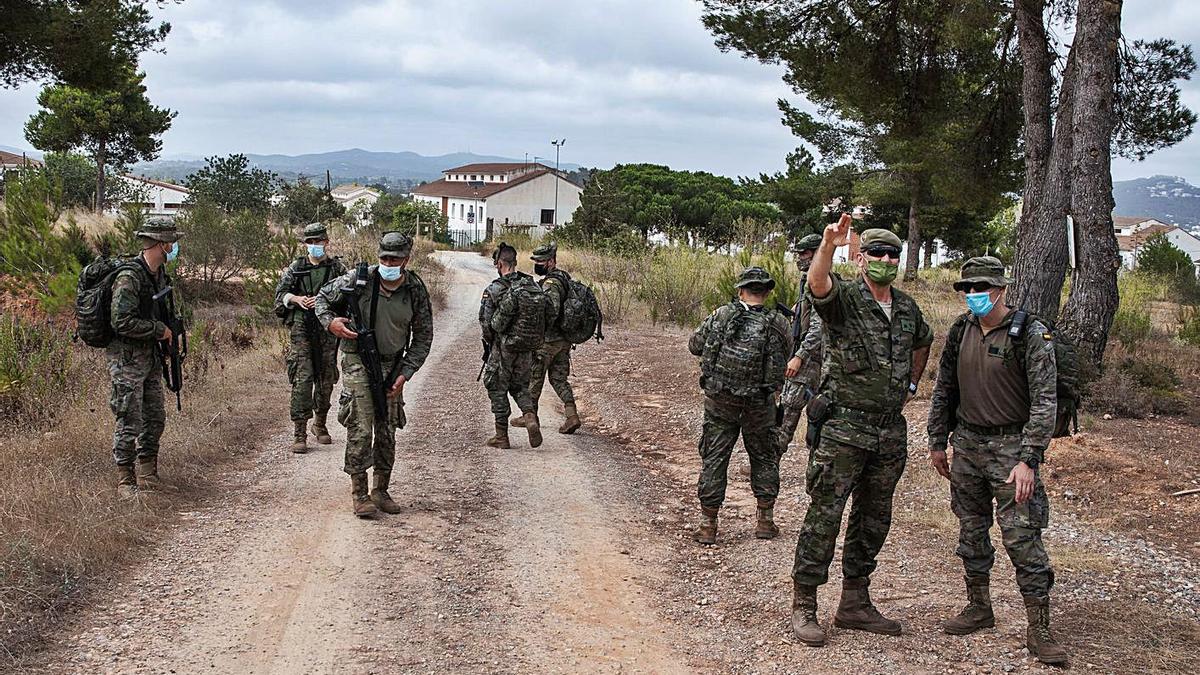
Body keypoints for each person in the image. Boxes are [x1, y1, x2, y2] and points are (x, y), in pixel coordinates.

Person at [790, 216, 932, 647]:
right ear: (863, 258)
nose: (886, 261)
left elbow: (923, 341)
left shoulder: (906, 307)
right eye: (878, 254)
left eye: (893, 255)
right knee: (825, 516)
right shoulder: (845, 298)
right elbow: (818, 284)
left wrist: (911, 384)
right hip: (843, 428)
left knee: (874, 519)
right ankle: (805, 604)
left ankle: (855, 601)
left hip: (888, 433)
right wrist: (828, 246)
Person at [926, 256, 1067, 666]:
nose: (973, 295)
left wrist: (1029, 459)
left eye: (981, 288)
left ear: (1001, 290)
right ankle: (978, 606)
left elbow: (1045, 401)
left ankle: (1039, 628)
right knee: (971, 532)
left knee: (1022, 539)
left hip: (1011, 448)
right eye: (967, 289)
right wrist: (938, 439)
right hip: (967, 444)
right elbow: (944, 387)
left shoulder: (1030, 333)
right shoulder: (961, 329)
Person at [315, 232, 433, 518]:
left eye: (394, 259)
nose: (388, 263)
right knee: (360, 424)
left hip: (393, 364)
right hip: (357, 359)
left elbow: (424, 337)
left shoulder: (414, 288)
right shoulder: (360, 279)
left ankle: (381, 489)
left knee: (387, 427)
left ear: (406, 259)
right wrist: (332, 324)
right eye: (384, 258)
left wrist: (406, 372)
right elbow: (322, 300)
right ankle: (360, 493)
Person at [687, 267, 792, 545]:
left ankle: (708, 524)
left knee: (715, 457)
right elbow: (788, 354)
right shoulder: (779, 322)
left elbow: (695, 345)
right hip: (760, 403)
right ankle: (765, 522)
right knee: (764, 457)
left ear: (740, 290)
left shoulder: (721, 315)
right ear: (768, 292)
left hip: (721, 401)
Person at [107, 218, 182, 497]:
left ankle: (149, 472)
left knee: (155, 416)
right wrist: (157, 329)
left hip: (149, 358)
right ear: (162, 244)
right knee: (129, 417)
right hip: (127, 360)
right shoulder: (130, 278)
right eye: (171, 242)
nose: (174, 247)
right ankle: (126, 479)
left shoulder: (159, 275)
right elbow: (120, 322)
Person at [274, 222, 347, 453]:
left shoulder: (337, 269)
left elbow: (348, 297)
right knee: (302, 380)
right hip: (302, 328)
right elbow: (279, 298)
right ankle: (299, 431)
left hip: (327, 329)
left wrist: (326, 303)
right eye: (310, 242)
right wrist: (297, 299)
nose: (315, 246)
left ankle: (320, 424)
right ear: (305, 244)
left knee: (326, 378)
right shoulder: (296, 268)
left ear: (326, 242)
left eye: (318, 241)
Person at [511, 242, 582, 434]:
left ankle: (530, 417)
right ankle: (571, 415)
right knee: (559, 379)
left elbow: (551, 310)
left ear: (551, 261)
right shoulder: (564, 278)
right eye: (536, 260)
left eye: (541, 261)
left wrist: (538, 331)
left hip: (549, 341)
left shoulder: (551, 283)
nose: (538, 264)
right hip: (564, 341)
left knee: (534, 378)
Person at [480, 242, 544, 450]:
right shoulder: (531, 286)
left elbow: (487, 323)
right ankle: (529, 416)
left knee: (497, 387)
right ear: (515, 262)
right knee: (519, 387)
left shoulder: (495, 288)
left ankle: (501, 436)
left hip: (503, 347)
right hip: (527, 347)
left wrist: (492, 344)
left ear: (499, 264)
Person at [776, 233, 825, 460]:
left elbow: (818, 327)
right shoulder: (808, 281)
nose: (800, 258)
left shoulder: (820, 283)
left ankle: (771, 462)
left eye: (805, 253)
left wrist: (800, 355)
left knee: (788, 410)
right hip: (809, 356)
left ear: (817, 253)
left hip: (811, 360)